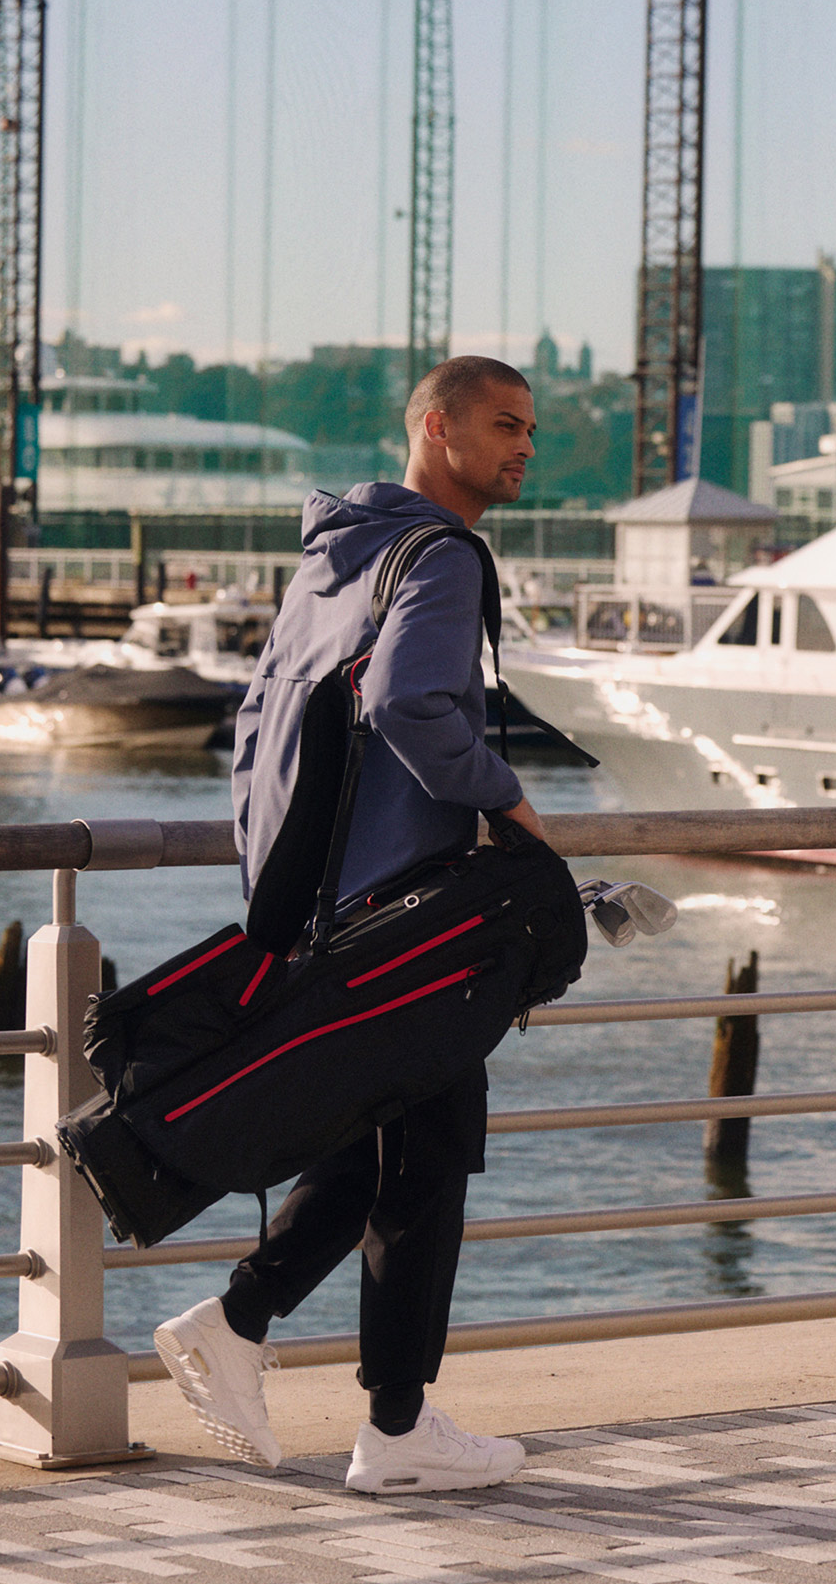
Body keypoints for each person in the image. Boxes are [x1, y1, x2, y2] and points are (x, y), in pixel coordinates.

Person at [155, 356, 547, 1495]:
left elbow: (261, 728)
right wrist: (507, 803)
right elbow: (410, 704)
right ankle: (305, 1366)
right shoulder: (444, 555)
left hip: (326, 910)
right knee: (420, 1144)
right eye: (504, 424)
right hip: (407, 912)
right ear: (437, 427)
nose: (525, 446)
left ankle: (368, 1407)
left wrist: (278, 892)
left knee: (396, 1146)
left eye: (531, 428)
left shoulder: (335, 556)